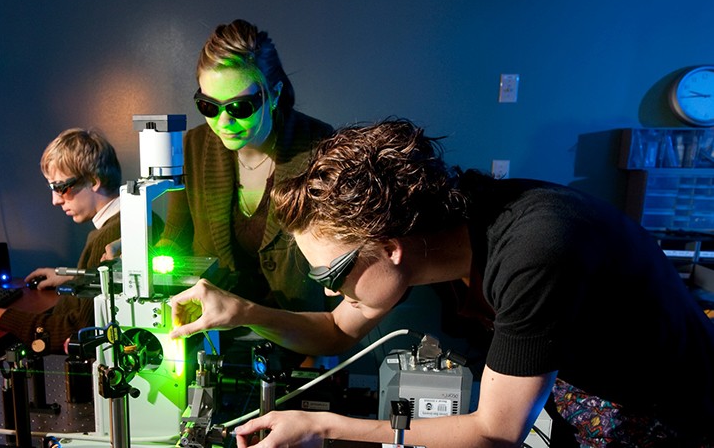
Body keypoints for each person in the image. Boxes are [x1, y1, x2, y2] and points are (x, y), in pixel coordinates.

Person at [169, 119, 714, 447]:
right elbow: (336, 331)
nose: (331, 290)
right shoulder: (442, 231)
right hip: (582, 395)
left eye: (332, 274)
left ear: (391, 248)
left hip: (668, 418)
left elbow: (494, 432)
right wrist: (242, 311)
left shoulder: (535, 252)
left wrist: (327, 428)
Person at [156, 18, 335, 320]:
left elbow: (341, 260)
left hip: (302, 331)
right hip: (218, 330)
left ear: (274, 94)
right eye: (208, 106)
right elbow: (177, 233)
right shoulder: (194, 146)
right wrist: (135, 253)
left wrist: (323, 351)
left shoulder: (320, 147)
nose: (223, 123)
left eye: (239, 108)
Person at [0, 128, 123, 353]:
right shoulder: (129, 220)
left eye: (61, 188)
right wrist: (72, 275)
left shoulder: (108, 237)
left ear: (94, 181)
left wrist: (2, 317)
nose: (55, 200)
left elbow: (79, 331)